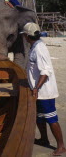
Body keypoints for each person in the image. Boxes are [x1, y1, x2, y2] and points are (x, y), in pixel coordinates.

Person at [22, 22, 66, 156]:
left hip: (44, 91)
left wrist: (36, 87)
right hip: (39, 90)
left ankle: (61, 146)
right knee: (39, 117)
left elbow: (45, 71)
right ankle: (44, 139)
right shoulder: (35, 46)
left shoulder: (39, 49)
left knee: (51, 118)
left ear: (26, 36)